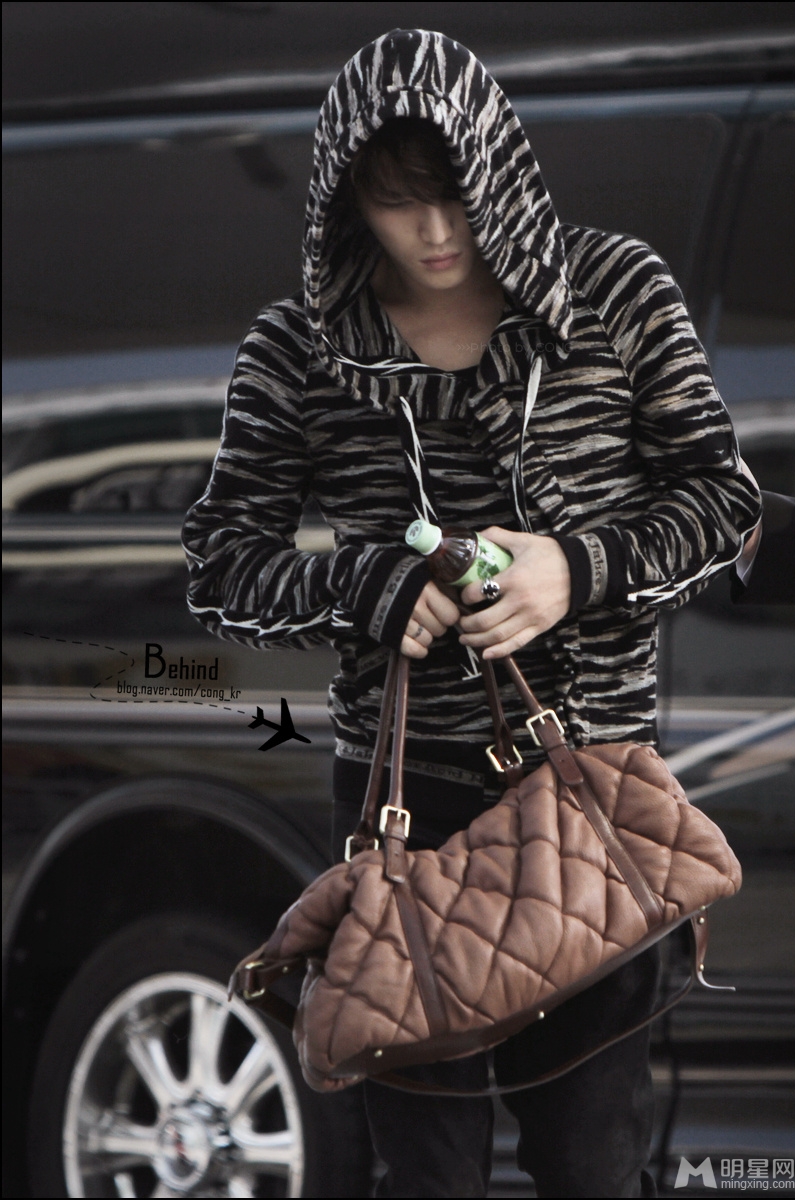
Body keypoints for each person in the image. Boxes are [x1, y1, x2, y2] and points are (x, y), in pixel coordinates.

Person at [182, 29, 762, 1198]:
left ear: (501, 163)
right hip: (404, 810)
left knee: (589, 1157)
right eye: (397, 202)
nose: (436, 231)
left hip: (590, 797)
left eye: (454, 192)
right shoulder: (298, 348)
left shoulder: (616, 293)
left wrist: (575, 569)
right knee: (426, 1167)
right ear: (347, 201)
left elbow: (725, 506)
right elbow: (223, 567)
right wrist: (362, 587)